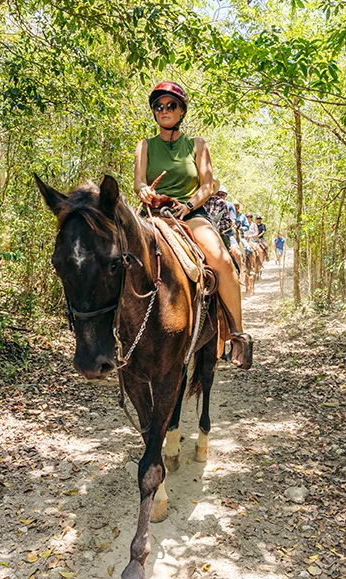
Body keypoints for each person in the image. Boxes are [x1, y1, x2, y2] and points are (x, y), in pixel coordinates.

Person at [134, 81, 252, 369]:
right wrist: (143, 191)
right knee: (114, 256)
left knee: (223, 259)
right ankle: (109, 336)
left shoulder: (197, 145)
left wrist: (187, 205)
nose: (164, 110)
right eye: (159, 106)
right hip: (152, 214)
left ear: (181, 110)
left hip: (188, 213)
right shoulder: (144, 146)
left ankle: (237, 334)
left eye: (171, 105)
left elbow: (208, 183)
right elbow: (138, 180)